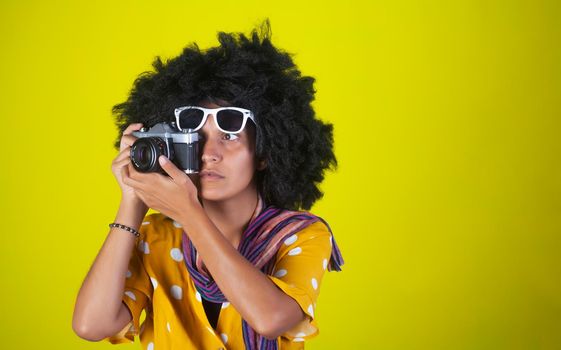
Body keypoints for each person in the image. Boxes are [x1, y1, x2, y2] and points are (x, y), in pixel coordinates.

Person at [72, 19, 344, 349]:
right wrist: (132, 199)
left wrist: (189, 213)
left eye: (229, 136)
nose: (209, 154)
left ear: (264, 153)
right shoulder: (156, 236)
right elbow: (91, 325)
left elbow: (271, 320)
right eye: (195, 138)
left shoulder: (301, 234)